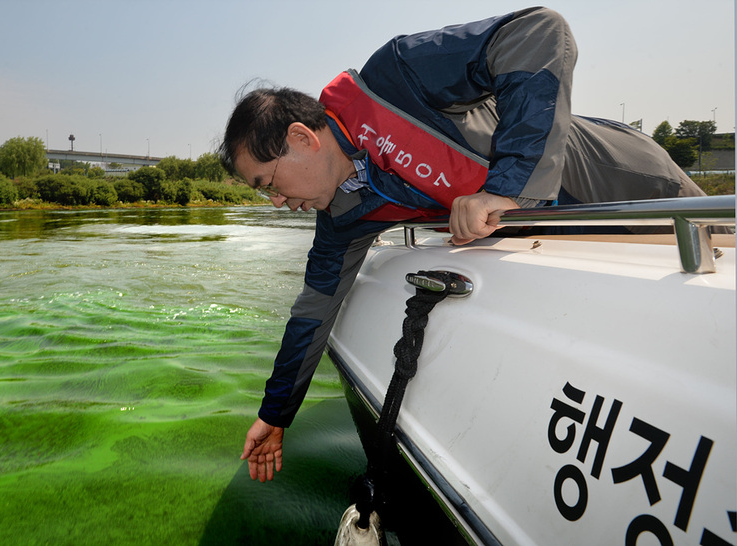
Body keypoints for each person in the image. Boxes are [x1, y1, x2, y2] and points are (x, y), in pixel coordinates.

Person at [217, 7, 706, 483]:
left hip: (631, 185)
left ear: (302, 138)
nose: (277, 201)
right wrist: (276, 414)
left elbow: (537, 31)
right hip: (573, 242)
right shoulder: (342, 214)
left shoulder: (396, 79)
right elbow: (313, 310)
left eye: (269, 183)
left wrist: (508, 187)